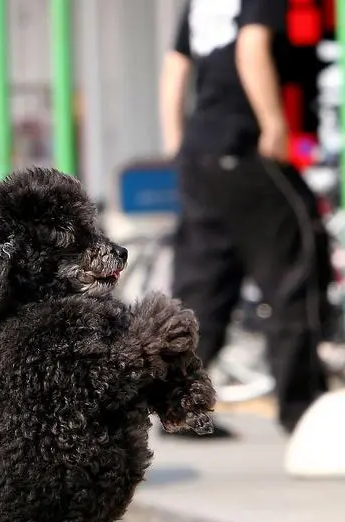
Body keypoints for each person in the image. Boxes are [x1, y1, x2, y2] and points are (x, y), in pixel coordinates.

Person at [159, 0, 334, 439]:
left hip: (201, 154)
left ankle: (175, 410)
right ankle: (303, 411)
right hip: (246, 144)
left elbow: (175, 69)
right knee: (298, 268)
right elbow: (252, 47)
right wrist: (273, 123)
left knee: (204, 286)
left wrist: (178, 146)